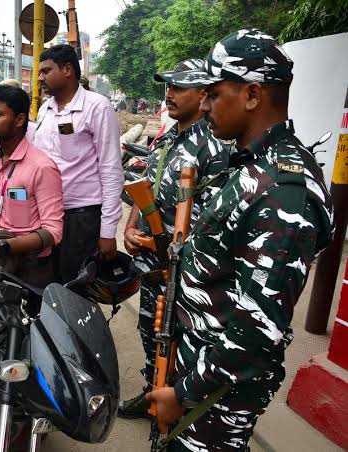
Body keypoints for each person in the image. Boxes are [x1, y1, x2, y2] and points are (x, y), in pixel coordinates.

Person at [145, 30, 334, 451]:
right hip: (197, 358)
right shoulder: (249, 164)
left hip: (217, 390)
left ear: (251, 94)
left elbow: (258, 323)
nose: (205, 104)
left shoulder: (286, 190)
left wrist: (185, 393)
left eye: (213, 93)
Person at [118, 59, 230, 419]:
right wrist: (131, 228)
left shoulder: (216, 147)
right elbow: (143, 188)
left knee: (181, 338)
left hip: (186, 265)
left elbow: (216, 216)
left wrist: (177, 251)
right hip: (152, 262)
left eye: (180, 87)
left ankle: (178, 404)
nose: (169, 93)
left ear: (203, 95)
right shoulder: (166, 138)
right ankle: (151, 393)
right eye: (168, 86)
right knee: (150, 329)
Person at [32, 44, 123, 283]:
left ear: (68, 69)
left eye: (45, 71)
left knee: (76, 292)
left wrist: (108, 231)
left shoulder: (97, 106)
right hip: (46, 215)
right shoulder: (45, 110)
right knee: (46, 285)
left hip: (81, 220)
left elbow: (111, 169)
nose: (40, 78)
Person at [0, 84, 63, 288]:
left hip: (31, 266)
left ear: (20, 120)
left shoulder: (42, 167)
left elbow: (53, 232)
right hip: (2, 259)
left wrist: (2, 247)